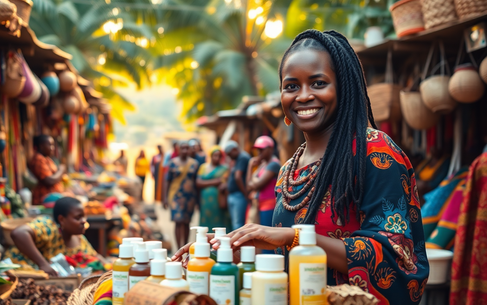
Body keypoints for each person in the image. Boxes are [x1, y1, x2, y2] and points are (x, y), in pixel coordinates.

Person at [173, 30, 428, 304]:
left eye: (318, 83)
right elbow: (288, 260)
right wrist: (239, 249)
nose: (303, 96)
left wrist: (294, 237)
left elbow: (398, 260)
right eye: (291, 86)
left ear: (343, 87)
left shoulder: (375, 152)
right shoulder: (288, 171)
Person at [5, 197, 102, 276]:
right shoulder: (48, 227)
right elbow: (18, 233)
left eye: (84, 216)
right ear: (62, 219)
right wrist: (43, 264)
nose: (83, 221)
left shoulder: (79, 239)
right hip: (16, 273)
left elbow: (94, 257)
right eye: (78, 218)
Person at [163, 141, 200, 249]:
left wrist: (198, 200)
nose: (185, 150)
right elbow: (167, 181)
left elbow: (197, 182)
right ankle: (179, 247)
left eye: (187, 148)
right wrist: (164, 198)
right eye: (182, 148)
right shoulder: (172, 163)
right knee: (178, 221)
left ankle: (185, 246)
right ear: (178, 149)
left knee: (186, 222)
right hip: (175, 196)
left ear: (190, 150)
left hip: (190, 197)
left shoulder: (194, 164)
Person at [247, 136, 281, 229]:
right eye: (258, 150)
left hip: (269, 205)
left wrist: (254, 179)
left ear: (270, 149)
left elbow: (257, 184)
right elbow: (249, 186)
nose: (259, 152)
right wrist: (250, 166)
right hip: (260, 204)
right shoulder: (263, 164)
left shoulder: (273, 164)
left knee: (267, 232)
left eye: (262, 149)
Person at [196, 146, 232, 232]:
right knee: (206, 219)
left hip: (218, 199)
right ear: (210, 156)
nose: (217, 158)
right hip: (205, 201)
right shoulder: (203, 167)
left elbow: (224, 182)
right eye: (215, 155)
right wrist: (216, 181)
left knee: (219, 221)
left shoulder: (224, 169)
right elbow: (198, 183)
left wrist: (206, 183)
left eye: (219, 156)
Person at [29, 135, 66, 205]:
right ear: (41, 145)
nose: (52, 148)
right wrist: (61, 170)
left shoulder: (47, 159)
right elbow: (49, 180)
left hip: (53, 198)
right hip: (44, 199)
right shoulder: (38, 159)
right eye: (50, 145)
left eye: (53, 145)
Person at [224, 140, 251, 230]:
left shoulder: (242, 157)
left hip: (239, 195)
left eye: (229, 154)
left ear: (234, 149)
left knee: (238, 224)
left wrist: (245, 194)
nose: (229, 156)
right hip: (234, 195)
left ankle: (237, 244)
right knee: (235, 223)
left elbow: (237, 177)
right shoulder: (236, 159)